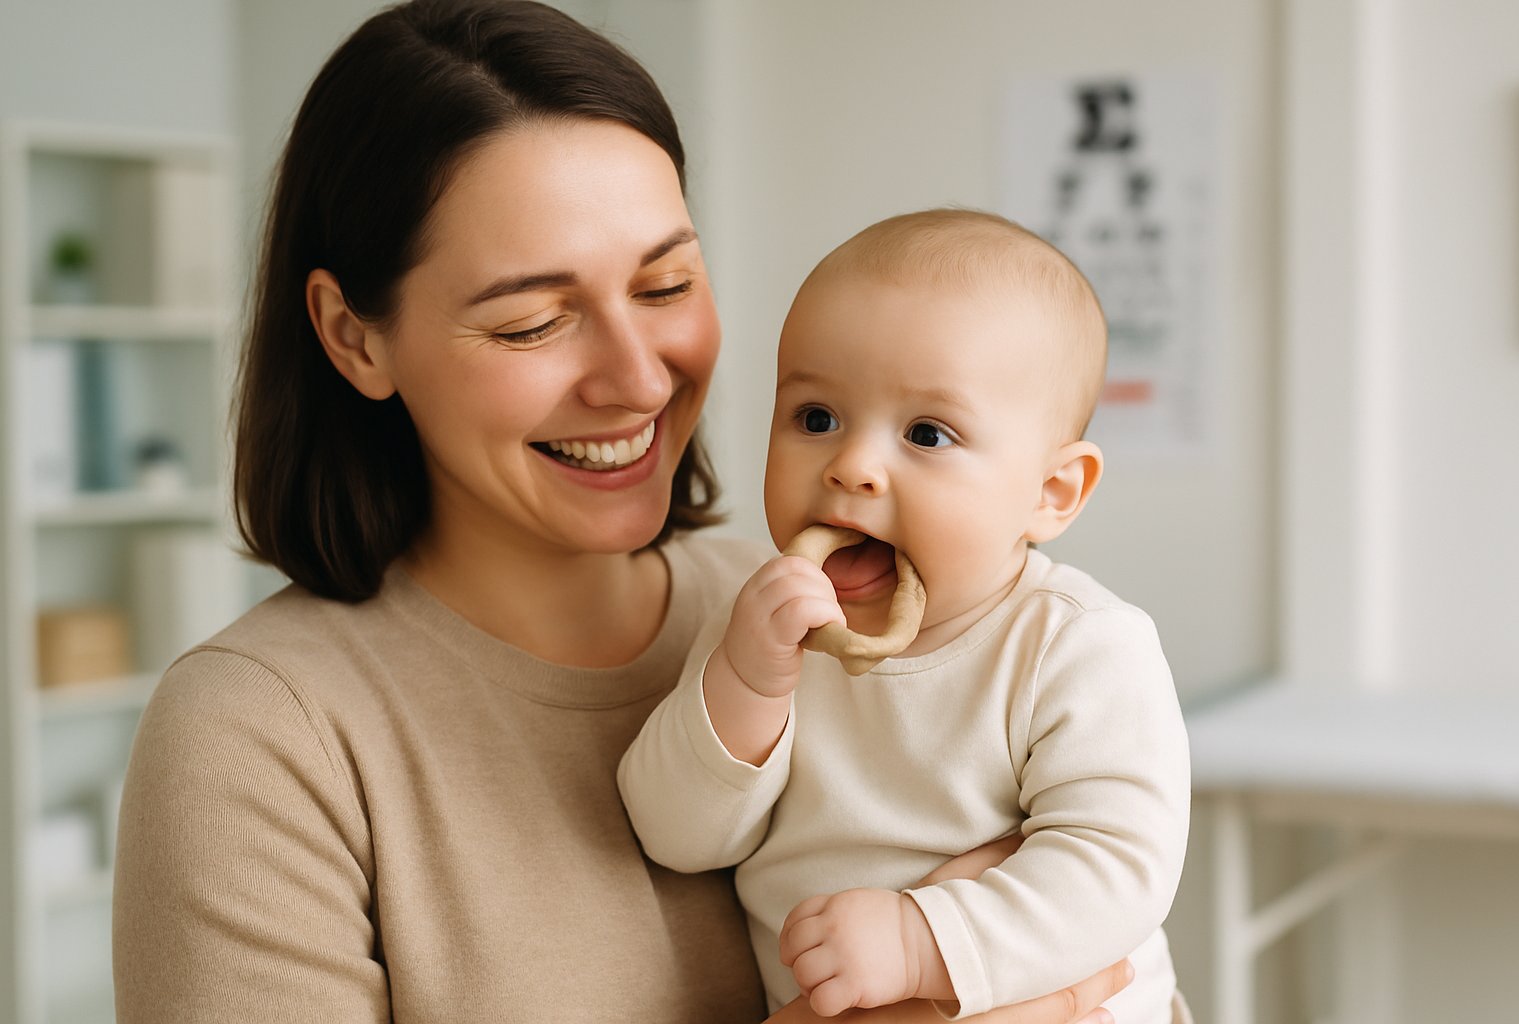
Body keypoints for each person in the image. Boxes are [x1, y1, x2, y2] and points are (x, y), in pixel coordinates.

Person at [109, 2, 1133, 1022]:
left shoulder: (813, 615)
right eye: (534, 321)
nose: (639, 380)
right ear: (354, 336)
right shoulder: (261, 738)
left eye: (665, 284)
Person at [618, 210, 1192, 1022]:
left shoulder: (1075, 644)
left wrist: (921, 940)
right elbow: (673, 838)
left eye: (927, 433)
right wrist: (745, 689)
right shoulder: (766, 629)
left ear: (1050, 492)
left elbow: (1118, 867)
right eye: (816, 419)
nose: (852, 466)